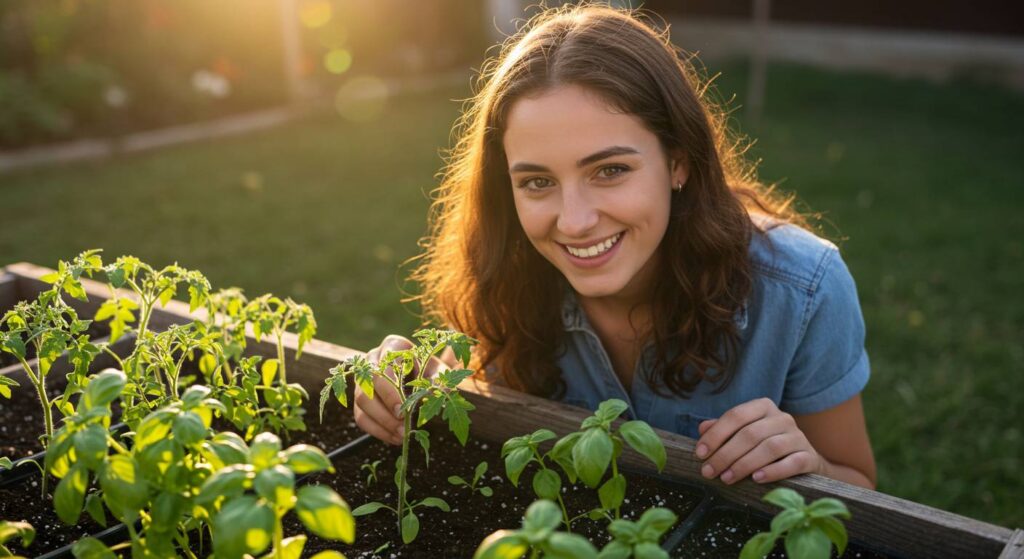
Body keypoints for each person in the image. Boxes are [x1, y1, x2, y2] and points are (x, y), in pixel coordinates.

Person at [355, 4, 876, 489]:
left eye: (610, 170)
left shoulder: (805, 289)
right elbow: (470, 388)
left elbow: (858, 482)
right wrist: (412, 380)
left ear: (678, 161)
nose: (575, 221)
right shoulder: (508, 271)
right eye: (537, 182)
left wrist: (805, 463)